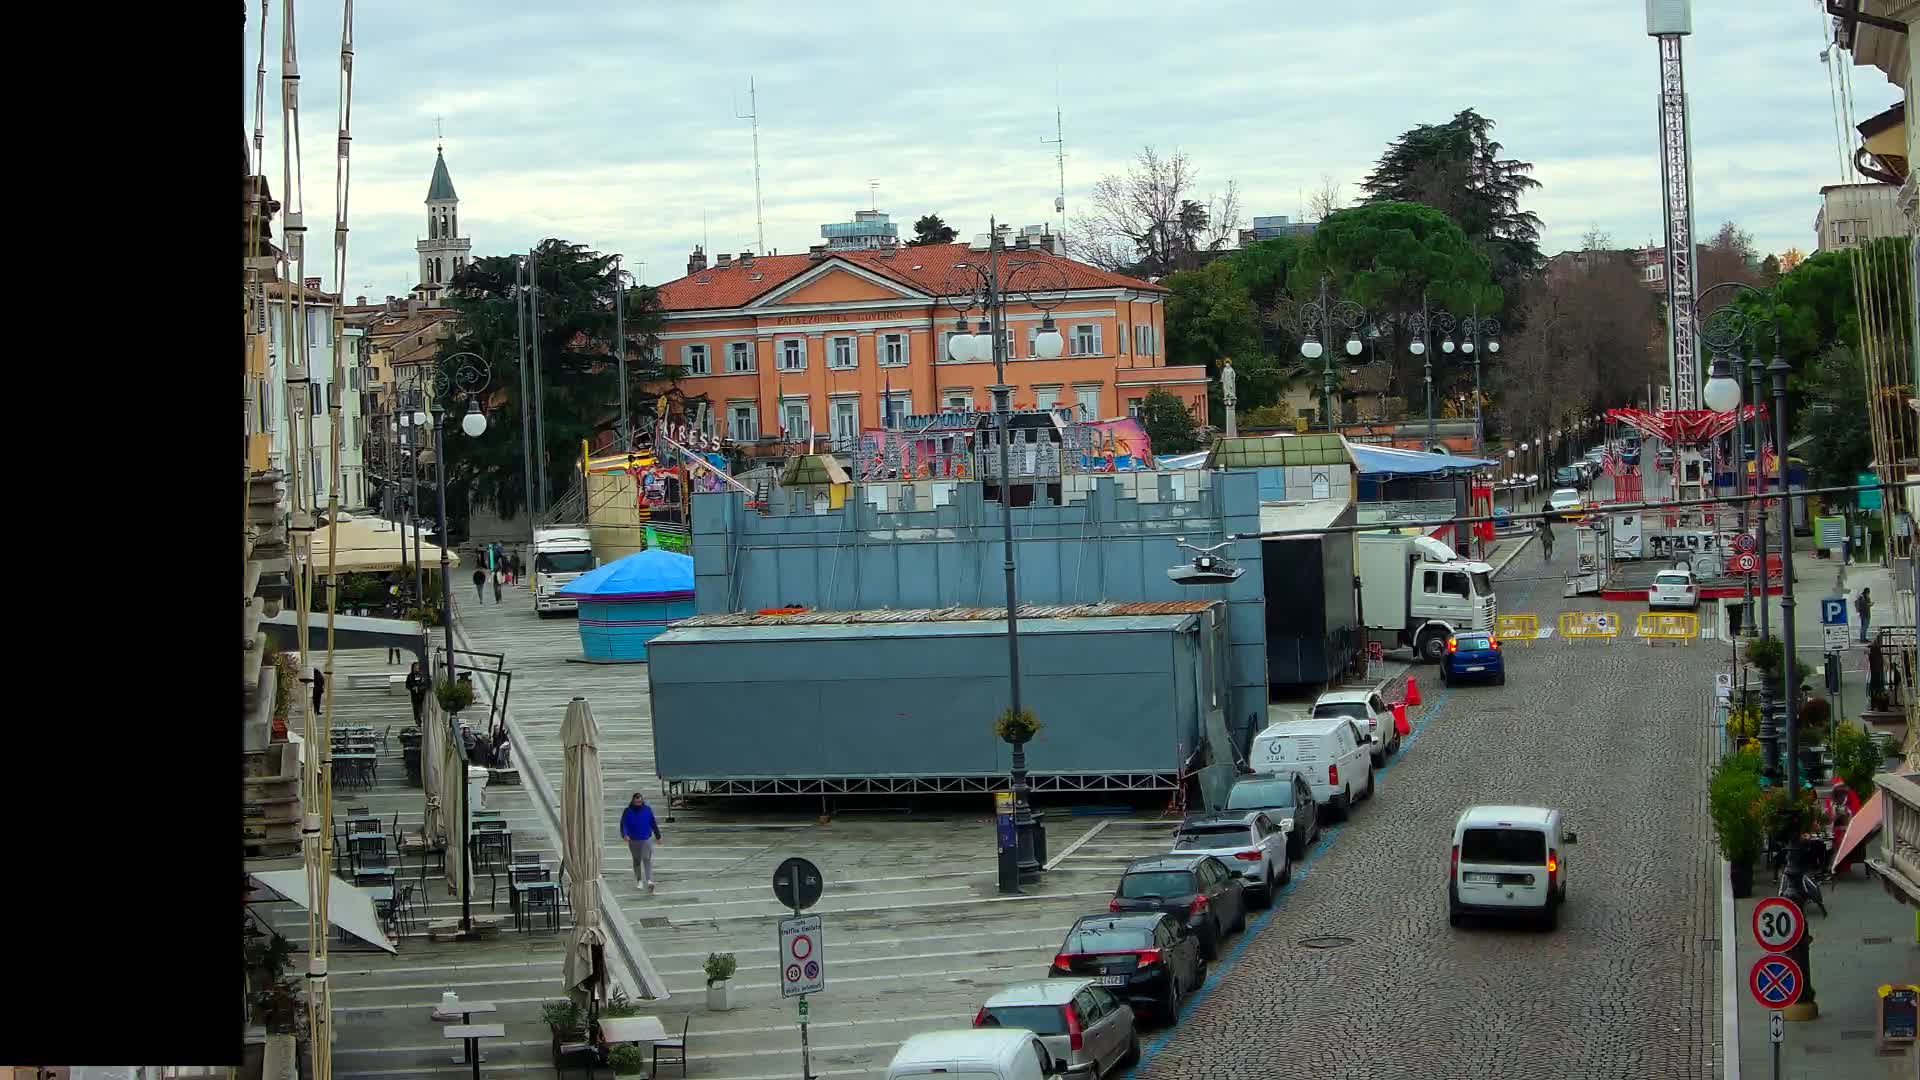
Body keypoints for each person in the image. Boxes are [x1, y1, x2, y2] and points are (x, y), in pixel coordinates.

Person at [619, 791, 664, 893]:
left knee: (647, 859)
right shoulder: (627, 811)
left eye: (640, 801)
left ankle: (649, 880)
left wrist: (658, 836)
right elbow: (624, 824)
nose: (639, 803)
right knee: (636, 860)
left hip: (646, 839)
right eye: (637, 802)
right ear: (633, 801)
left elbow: (653, 823)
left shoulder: (647, 810)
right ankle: (639, 880)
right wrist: (624, 835)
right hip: (633, 840)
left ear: (642, 801)